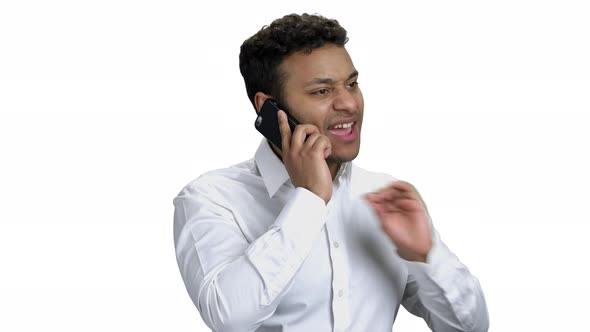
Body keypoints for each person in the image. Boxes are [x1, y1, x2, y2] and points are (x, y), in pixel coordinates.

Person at [173, 13, 489, 332]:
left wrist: (426, 257)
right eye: (322, 91)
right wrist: (309, 200)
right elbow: (229, 318)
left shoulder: (386, 197)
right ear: (269, 106)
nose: (349, 103)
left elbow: (469, 328)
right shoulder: (212, 198)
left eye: (351, 84)